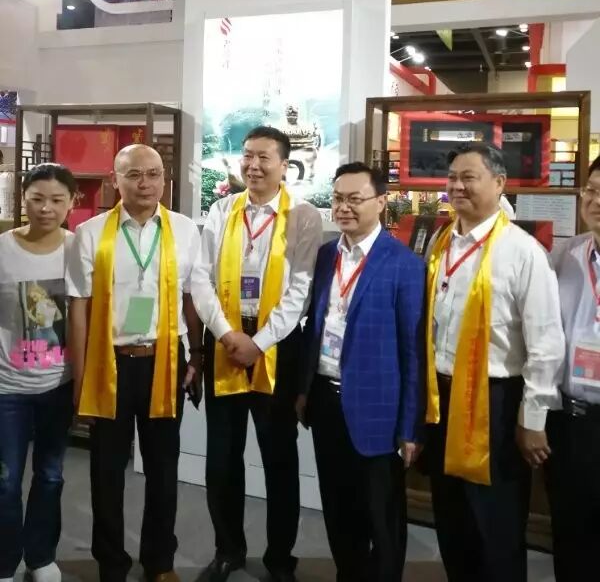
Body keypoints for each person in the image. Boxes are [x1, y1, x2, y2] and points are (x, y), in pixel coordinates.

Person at [424, 142, 565, 582]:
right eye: (452, 178)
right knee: (452, 519)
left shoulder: (522, 251)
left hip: (496, 405)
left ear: (499, 183)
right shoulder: (441, 242)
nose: (457, 186)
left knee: (496, 527)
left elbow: (546, 342)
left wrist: (533, 417)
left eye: (469, 177)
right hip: (442, 396)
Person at [66, 144, 204, 582]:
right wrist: (80, 377)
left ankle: (160, 561)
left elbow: (192, 297)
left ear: (165, 178)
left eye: (153, 174)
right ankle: (111, 563)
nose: (145, 183)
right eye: (134, 175)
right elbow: (79, 307)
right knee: (107, 471)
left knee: (164, 468)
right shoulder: (90, 234)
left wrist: (197, 354)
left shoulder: (184, 230)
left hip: (165, 361)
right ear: (115, 180)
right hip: (110, 364)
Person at [191, 126, 323, 582]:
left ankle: (279, 559)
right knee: (222, 458)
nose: (253, 165)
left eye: (264, 157)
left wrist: (259, 342)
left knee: (279, 460)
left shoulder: (303, 216)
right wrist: (227, 334)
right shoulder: (222, 210)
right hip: (226, 341)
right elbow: (200, 278)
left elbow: (301, 290)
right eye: (247, 155)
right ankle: (227, 549)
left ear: (285, 165)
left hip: (277, 348)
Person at [297, 162, 425, 582]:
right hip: (326, 401)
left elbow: (412, 351)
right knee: (338, 508)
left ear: (381, 202)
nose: (344, 208)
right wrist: (304, 392)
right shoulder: (325, 255)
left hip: (378, 411)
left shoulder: (403, 264)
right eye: (338, 199)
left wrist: (410, 426)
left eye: (355, 199)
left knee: (382, 517)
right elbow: (316, 327)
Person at [0, 163, 77, 582]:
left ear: (71, 202)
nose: (46, 208)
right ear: (23, 198)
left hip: (57, 386)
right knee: (6, 481)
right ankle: (4, 561)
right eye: (37, 199)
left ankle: (40, 557)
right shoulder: (2, 249)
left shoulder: (78, 249)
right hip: (6, 387)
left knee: (50, 476)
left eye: (57, 199)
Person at [546, 155, 600, 581]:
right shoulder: (565, 254)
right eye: (591, 191)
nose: (595, 201)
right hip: (570, 420)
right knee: (570, 531)